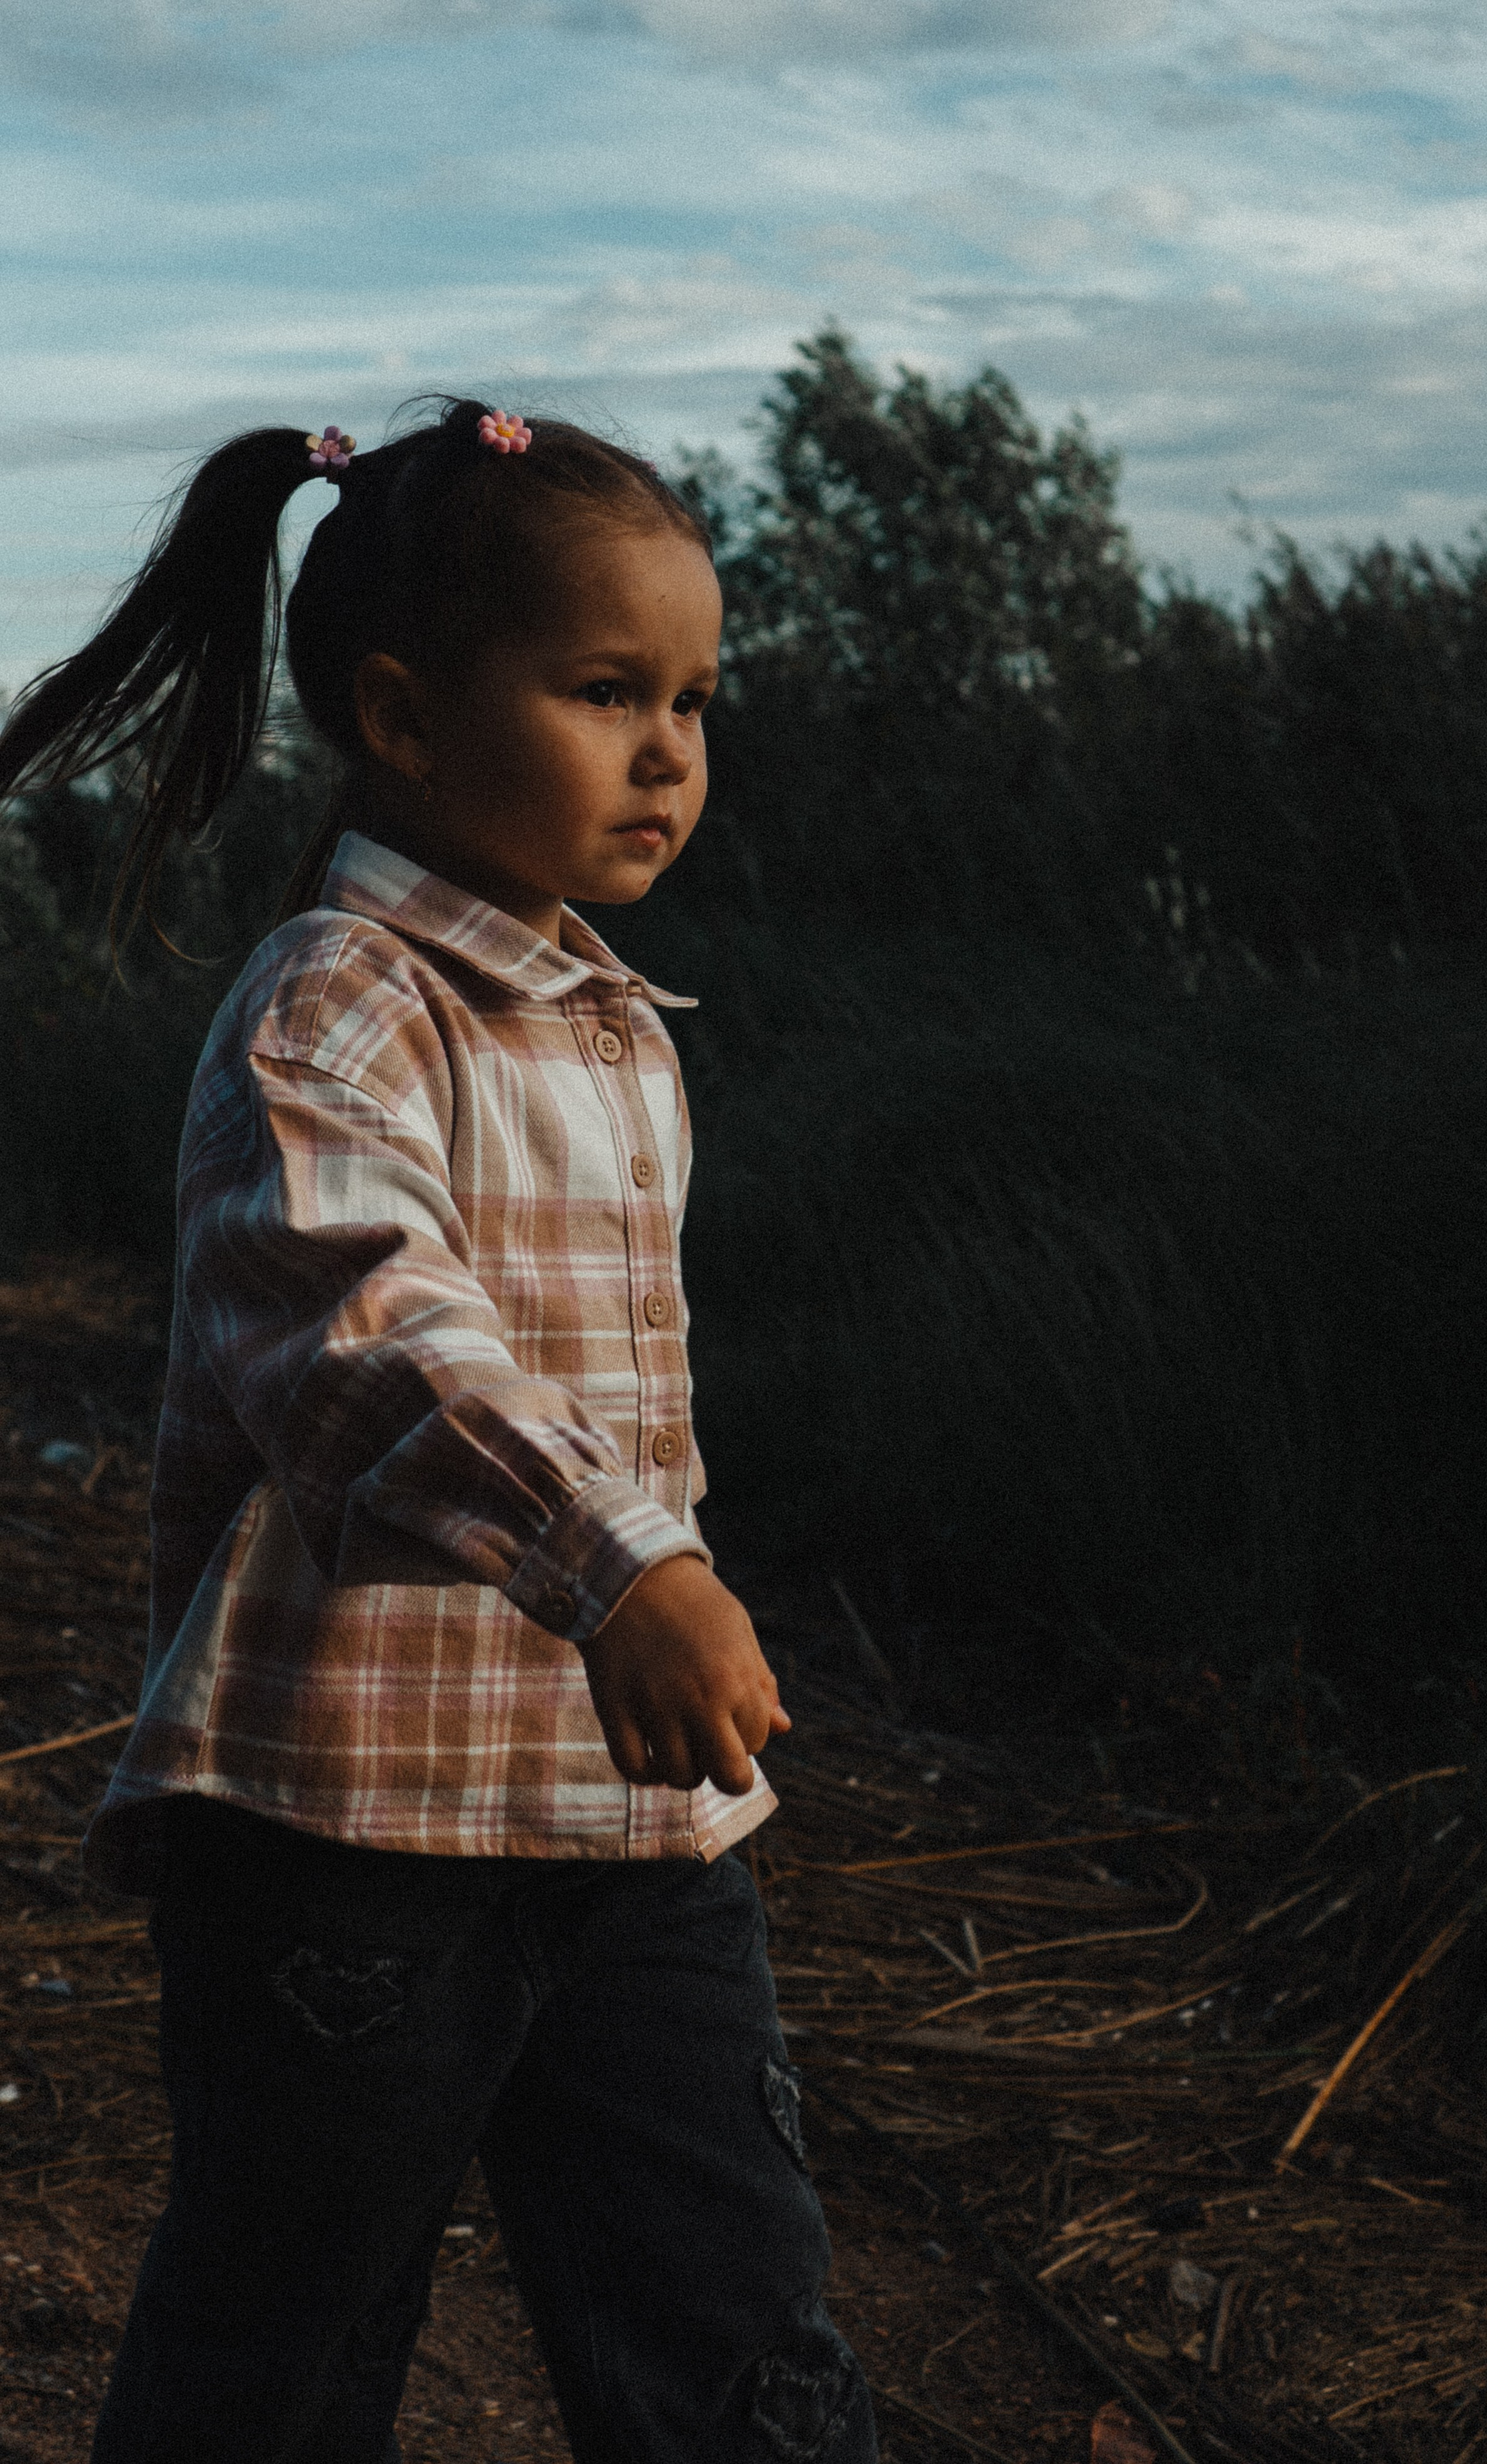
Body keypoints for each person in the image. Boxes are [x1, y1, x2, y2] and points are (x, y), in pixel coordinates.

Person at [0, 398, 876, 2463]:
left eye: (693, 701)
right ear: (402, 716)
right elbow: (365, 1328)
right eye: (606, 692)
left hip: (635, 1832)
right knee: (283, 2363)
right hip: (350, 1842)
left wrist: (645, 1578)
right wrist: (625, 1566)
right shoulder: (332, 1008)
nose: (669, 754)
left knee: (742, 2347)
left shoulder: (615, 1028)